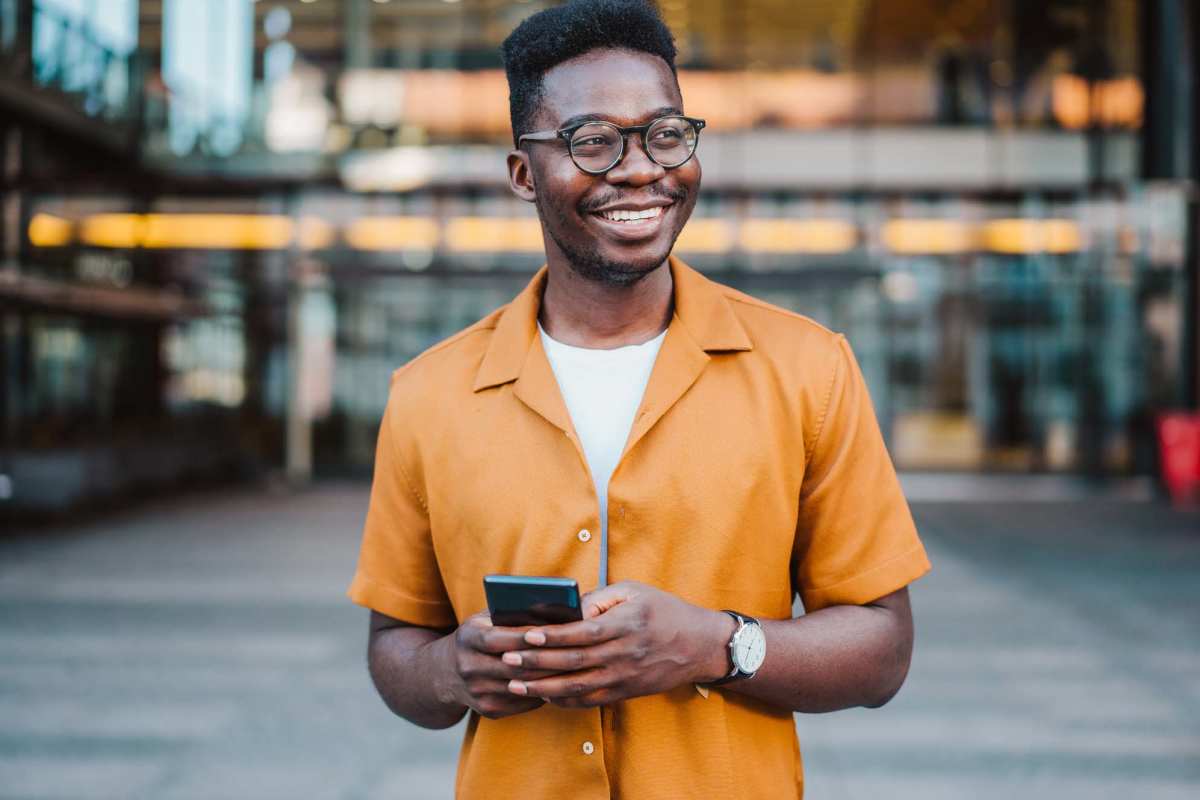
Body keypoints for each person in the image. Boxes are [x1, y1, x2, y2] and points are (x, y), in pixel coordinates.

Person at [348, 1, 930, 797]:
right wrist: (453, 670)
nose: (640, 169)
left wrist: (716, 645)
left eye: (663, 134)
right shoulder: (429, 394)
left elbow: (883, 651)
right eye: (593, 142)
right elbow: (395, 652)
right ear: (524, 173)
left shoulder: (808, 370)